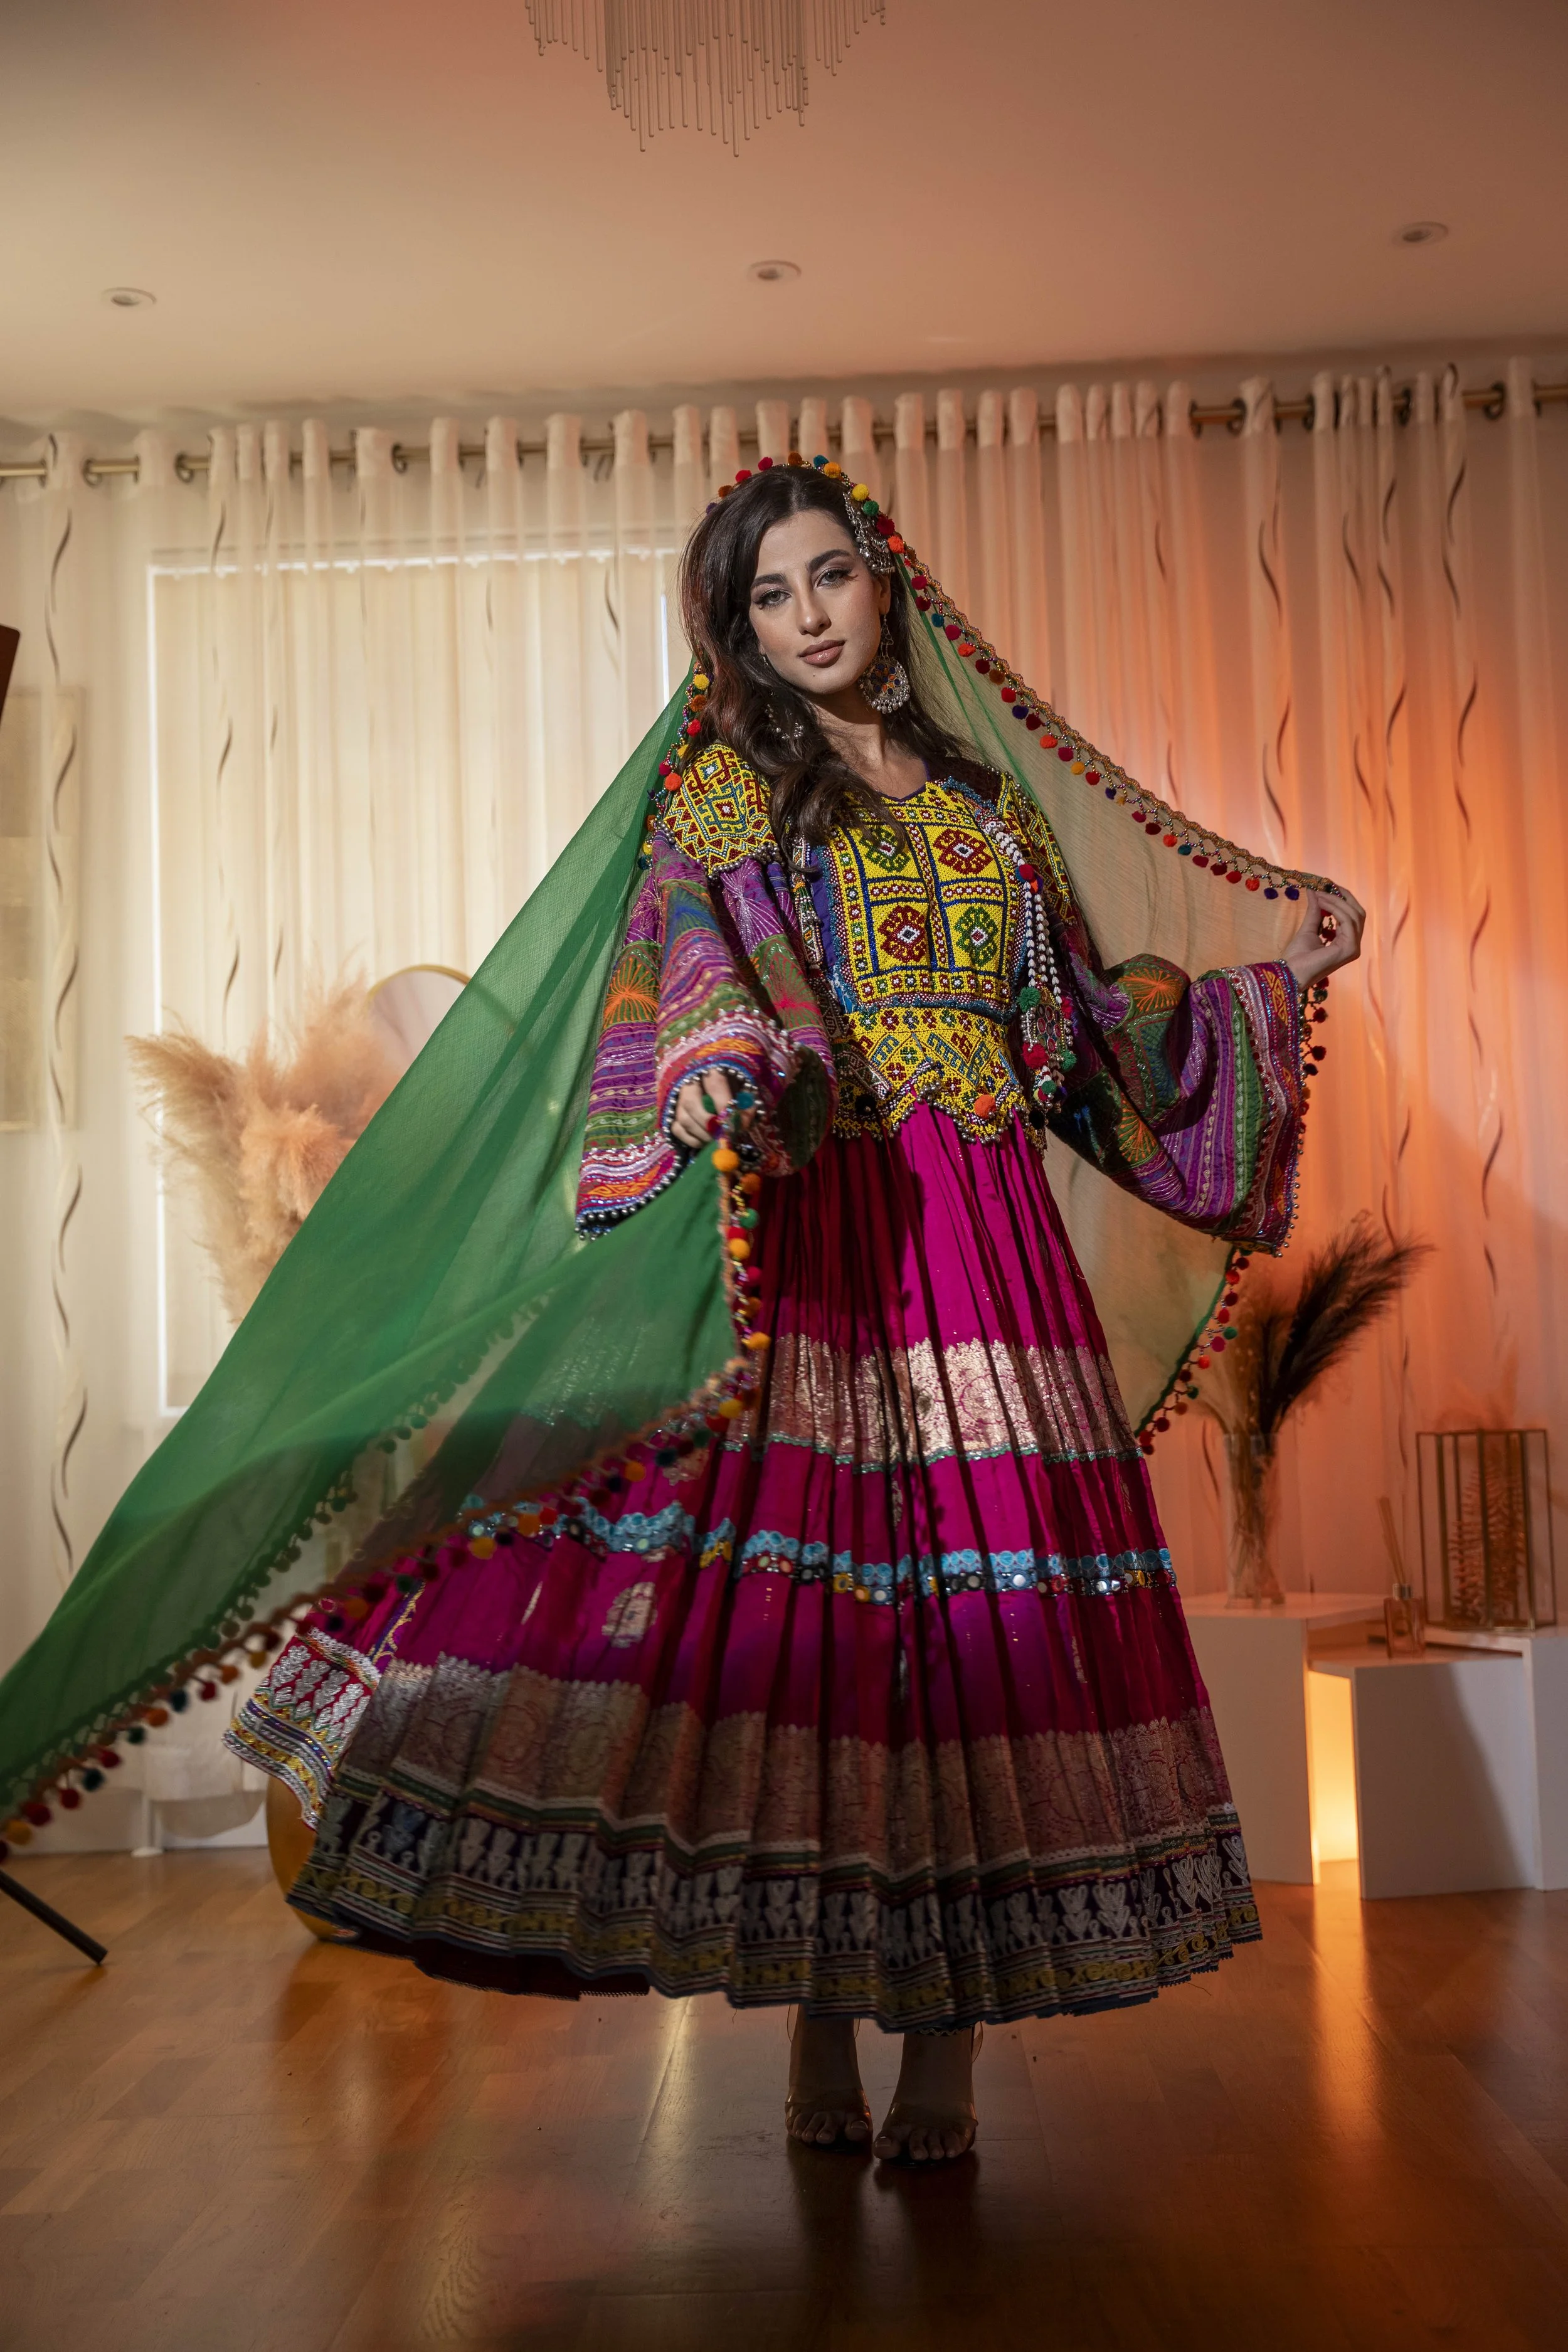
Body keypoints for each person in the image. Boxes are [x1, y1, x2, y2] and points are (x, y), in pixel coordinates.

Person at [0, 453, 1360, 2168]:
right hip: (832, 1246)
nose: (805, 619)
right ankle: (813, 2012)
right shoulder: (732, 797)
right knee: (836, 1651)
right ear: (734, 628)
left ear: (886, 580)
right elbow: (679, 957)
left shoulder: (984, 813)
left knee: (982, 1654)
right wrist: (717, 1066)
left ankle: (937, 2064)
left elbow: (1089, 1034)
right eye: (766, 597)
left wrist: (1275, 981)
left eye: (827, 579)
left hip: (992, 1265)